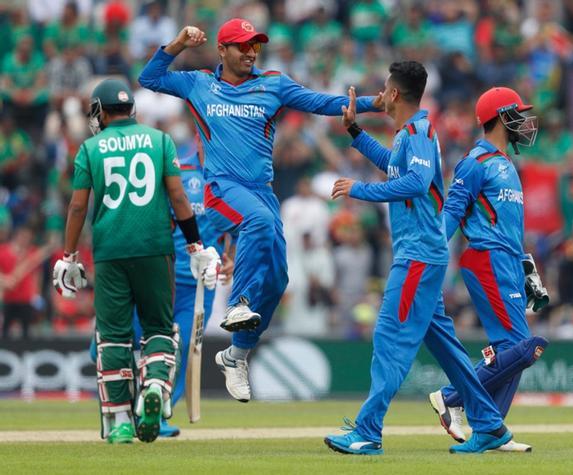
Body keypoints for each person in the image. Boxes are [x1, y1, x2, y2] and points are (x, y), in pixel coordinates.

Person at [138, 18, 382, 402]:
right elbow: (149, 78)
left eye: (255, 45)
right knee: (260, 221)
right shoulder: (199, 83)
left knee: (279, 280)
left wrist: (373, 103)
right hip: (222, 186)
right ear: (222, 50)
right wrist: (179, 43)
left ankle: (236, 355)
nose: (251, 52)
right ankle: (238, 303)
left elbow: (323, 103)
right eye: (242, 46)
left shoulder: (274, 84)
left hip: (261, 190)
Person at [324, 62, 512, 455]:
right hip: (423, 254)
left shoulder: (420, 131)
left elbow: (416, 182)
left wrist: (359, 189)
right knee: (446, 348)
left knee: (389, 339)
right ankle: (490, 425)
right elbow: (397, 169)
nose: (380, 94)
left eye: (384, 88)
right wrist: (356, 132)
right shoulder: (411, 133)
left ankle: (367, 430)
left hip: (418, 257)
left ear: (393, 94)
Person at [53, 78, 219, 444]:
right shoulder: (161, 141)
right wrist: (195, 246)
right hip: (157, 248)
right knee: (160, 331)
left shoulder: (91, 147)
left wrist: (68, 256)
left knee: (113, 338)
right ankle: (154, 390)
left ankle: (121, 421)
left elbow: (79, 205)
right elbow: (178, 197)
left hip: (111, 251)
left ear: (100, 111)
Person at [427, 86, 549, 452]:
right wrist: (431, 257)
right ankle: (453, 398)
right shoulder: (474, 163)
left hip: (508, 261)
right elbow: (451, 212)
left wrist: (527, 266)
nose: (524, 122)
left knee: (512, 350)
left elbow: (510, 226)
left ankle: (491, 430)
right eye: (517, 114)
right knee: (521, 347)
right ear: (499, 118)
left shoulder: (507, 165)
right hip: (485, 259)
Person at [87, 141, 235, 438]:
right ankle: (128, 404)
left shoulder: (231, 178)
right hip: (159, 274)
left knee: (179, 349)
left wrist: (230, 257)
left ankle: (157, 415)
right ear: (200, 134)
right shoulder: (177, 169)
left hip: (197, 286)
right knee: (107, 345)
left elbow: (236, 227)